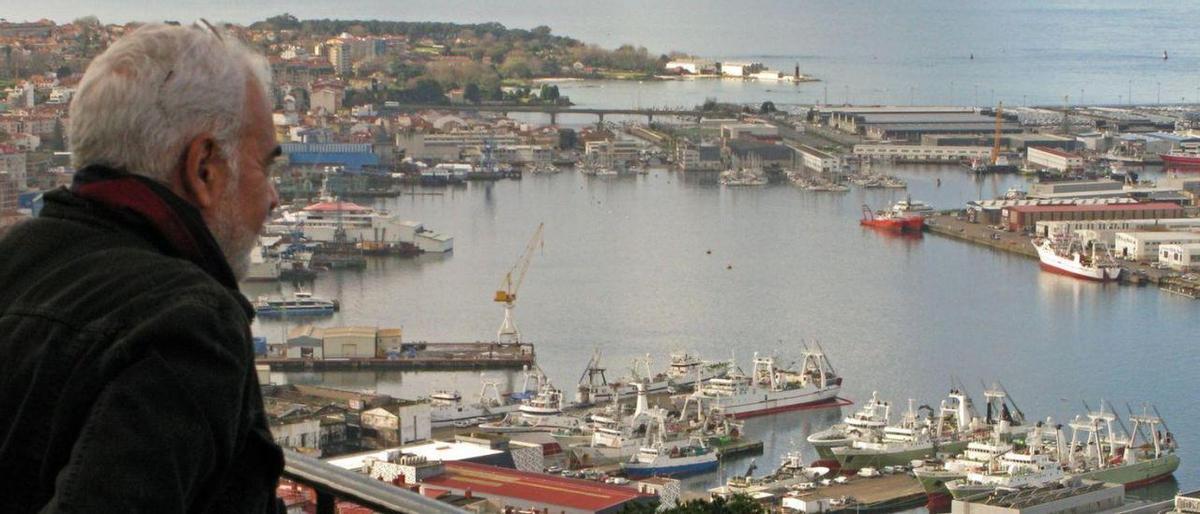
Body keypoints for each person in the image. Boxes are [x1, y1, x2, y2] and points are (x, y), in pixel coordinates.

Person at [0, 23, 283, 513]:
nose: (274, 198)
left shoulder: (16, 256)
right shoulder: (189, 324)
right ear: (204, 168)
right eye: (266, 166)